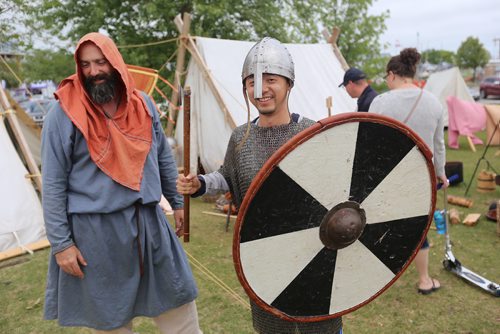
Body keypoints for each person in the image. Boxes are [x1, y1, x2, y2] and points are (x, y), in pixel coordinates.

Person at [177, 37, 342, 333]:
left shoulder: (311, 133)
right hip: (264, 255)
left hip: (316, 253)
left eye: (271, 79)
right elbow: (227, 175)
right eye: (252, 81)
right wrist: (199, 183)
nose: (261, 89)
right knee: (272, 327)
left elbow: (340, 191)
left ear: (289, 83)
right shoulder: (241, 138)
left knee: (321, 327)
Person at [41, 32, 201, 333]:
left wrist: (177, 203)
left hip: (149, 225)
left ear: (114, 61)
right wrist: (62, 244)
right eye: (86, 65)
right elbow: (52, 183)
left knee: (181, 318)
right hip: (96, 236)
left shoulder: (142, 104)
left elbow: (162, 158)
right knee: (113, 325)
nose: (94, 72)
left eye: (101, 62)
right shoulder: (62, 114)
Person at [368, 47, 448, 295]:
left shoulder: (380, 102)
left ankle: (374, 278)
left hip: (385, 177)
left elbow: (367, 142)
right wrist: (441, 173)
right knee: (418, 228)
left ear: (392, 74)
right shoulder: (434, 102)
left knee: (380, 224)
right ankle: (424, 280)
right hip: (421, 178)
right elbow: (438, 145)